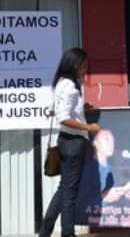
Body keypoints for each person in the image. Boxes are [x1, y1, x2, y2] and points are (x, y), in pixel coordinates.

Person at [39, 47, 101, 237]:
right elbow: (63, 118)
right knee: (69, 194)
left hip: (65, 141)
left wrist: (81, 109)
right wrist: (89, 128)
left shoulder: (61, 83)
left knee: (64, 189)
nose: (85, 69)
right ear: (75, 65)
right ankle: (67, 233)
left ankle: (45, 232)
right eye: (84, 65)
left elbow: (56, 110)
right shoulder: (70, 87)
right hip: (74, 142)